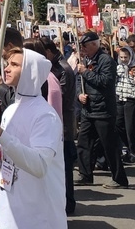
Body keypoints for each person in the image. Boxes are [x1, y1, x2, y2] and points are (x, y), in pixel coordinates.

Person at [0, 47, 66, 229]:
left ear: (29, 71)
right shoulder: (10, 111)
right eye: (7, 64)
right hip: (10, 215)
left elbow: (39, 165)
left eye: (15, 64)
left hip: (40, 218)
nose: (7, 68)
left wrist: (2, 136)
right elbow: (5, 162)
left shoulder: (46, 116)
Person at [75, 31, 128, 189]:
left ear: (94, 44)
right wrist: (79, 94)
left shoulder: (106, 60)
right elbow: (80, 81)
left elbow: (105, 82)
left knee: (109, 145)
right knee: (84, 143)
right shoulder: (86, 60)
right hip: (88, 109)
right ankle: (85, 174)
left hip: (103, 110)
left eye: (84, 46)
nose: (82, 49)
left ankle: (119, 178)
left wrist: (86, 72)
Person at [41, 37, 77, 216]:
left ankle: (68, 202)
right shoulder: (53, 67)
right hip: (58, 123)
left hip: (64, 124)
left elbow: (59, 98)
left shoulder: (62, 69)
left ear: (48, 52)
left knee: (64, 166)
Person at [115, 46, 135, 163]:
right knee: (118, 124)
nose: (123, 59)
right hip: (119, 97)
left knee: (131, 127)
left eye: (125, 57)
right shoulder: (118, 68)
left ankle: (134, 151)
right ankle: (129, 146)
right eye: (121, 57)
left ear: (131, 57)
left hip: (132, 98)